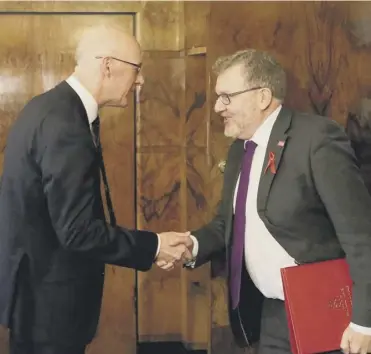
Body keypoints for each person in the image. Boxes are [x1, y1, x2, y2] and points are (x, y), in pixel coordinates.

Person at [158, 49, 371, 354]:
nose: (218, 107)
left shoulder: (316, 139)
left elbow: (361, 235)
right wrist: (192, 244)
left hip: (326, 312)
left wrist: (365, 322)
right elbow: (228, 223)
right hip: (272, 315)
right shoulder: (239, 151)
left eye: (227, 97)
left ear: (262, 96)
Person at [0, 25, 191, 354]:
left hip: (35, 300)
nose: (141, 81)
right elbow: (77, 232)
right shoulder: (66, 125)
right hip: (50, 309)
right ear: (108, 66)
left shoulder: (48, 107)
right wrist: (155, 245)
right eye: (137, 69)